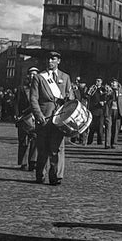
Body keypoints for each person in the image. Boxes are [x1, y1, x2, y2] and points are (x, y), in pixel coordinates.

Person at [30, 50, 74, 185]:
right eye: (48, 59)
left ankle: (56, 176)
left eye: (53, 59)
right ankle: (40, 174)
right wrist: (38, 115)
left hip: (59, 118)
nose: (50, 61)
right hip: (44, 117)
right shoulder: (39, 77)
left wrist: (69, 100)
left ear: (58, 61)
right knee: (42, 149)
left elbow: (71, 97)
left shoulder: (65, 77)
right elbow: (33, 99)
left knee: (57, 148)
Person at [13, 66, 39, 171]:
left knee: (35, 140)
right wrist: (16, 114)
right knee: (23, 141)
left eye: (35, 74)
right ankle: (23, 162)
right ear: (28, 75)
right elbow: (16, 102)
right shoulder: (22, 88)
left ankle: (33, 161)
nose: (32, 76)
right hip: (23, 118)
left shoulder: (40, 88)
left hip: (35, 117)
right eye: (31, 74)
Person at [104, 79, 122, 149]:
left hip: (118, 111)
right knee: (108, 127)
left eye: (114, 82)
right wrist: (108, 93)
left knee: (116, 128)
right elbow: (105, 99)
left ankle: (114, 143)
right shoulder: (108, 91)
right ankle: (107, 143)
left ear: (117, 83)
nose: (112, 84)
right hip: (109, 110)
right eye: (111, 83)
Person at [86, 78, 107, 146]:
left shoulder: (104, 89)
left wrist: (103, 102)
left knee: (100, 126)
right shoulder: (93, 88)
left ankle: (100, 141)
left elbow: (106, 97)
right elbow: (88, 96)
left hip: (101, 109)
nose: (97, 82)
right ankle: (90, 140)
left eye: (98, 81)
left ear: (101, 82)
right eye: (96, 81)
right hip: (93, 109)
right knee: (92, 126)